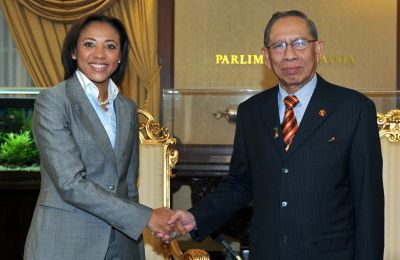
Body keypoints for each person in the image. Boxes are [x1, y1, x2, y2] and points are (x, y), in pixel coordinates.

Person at [169, 10, 384, 260]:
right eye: (279, 45)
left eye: (300, 43)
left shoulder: (354, 109)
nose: (290, 54)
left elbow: (368, 202)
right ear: (266, 57)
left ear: (318, 49)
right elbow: (240, 182)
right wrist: (196, 216)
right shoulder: (251, 111)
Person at [24, 14, 184, 260]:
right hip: (65, 244)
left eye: (110, 46)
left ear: (120, 56)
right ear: (74, 52)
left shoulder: (127, 108)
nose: (100, 54)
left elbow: (128, 185)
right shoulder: (54, 101)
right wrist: (146, 217)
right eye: (89, 44)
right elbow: (70, 183)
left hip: (121, 245)